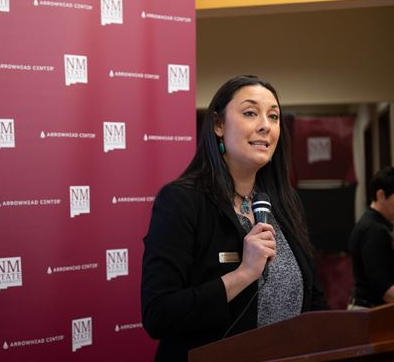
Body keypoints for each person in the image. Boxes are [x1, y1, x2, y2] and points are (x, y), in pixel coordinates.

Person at [141, 75, 328, 361]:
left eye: (274, 116)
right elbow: (160, 314)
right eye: (250, 113)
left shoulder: (286, 202)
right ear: (218, 125)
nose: (266, 125)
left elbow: (313, 297)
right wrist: (244, 274)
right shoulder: (182, 201)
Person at [348, 166, 394, 309]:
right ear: (381, 195)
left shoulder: (374, 223)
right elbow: (383, 287)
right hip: (369, 313)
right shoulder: (374, 229)